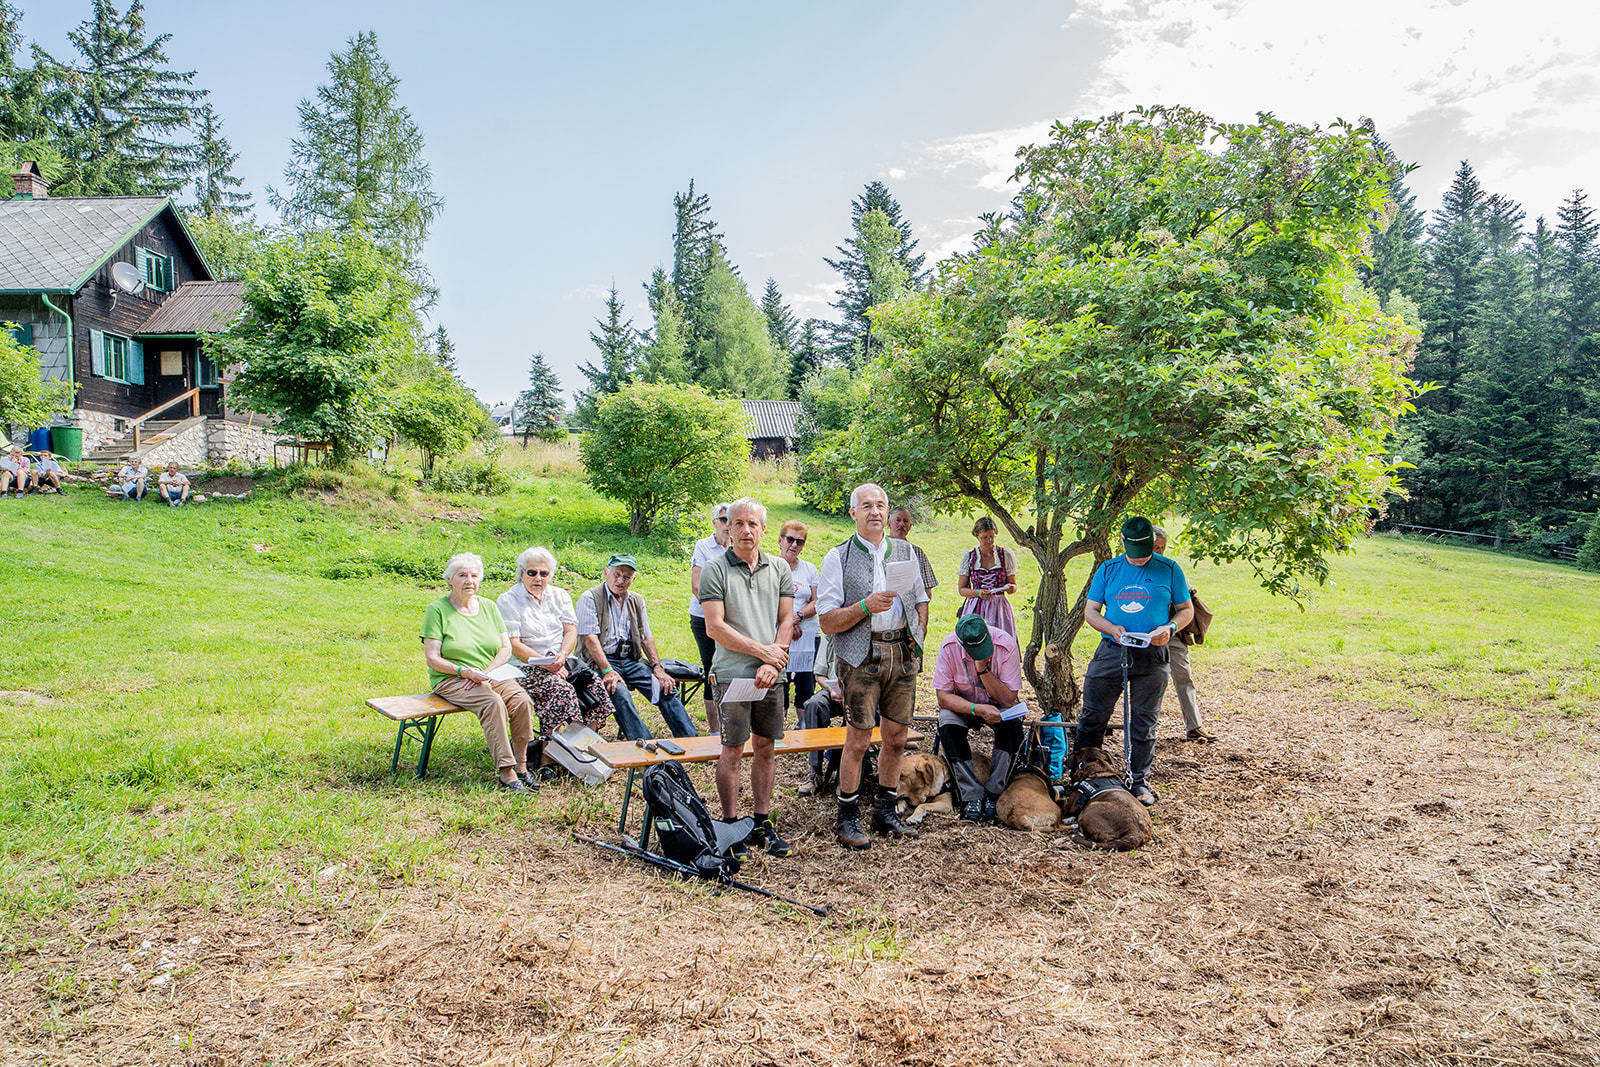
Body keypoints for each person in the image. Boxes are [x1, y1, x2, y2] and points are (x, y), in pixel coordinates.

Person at [817, 483, 930, 849]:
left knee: (896, 738)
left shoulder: (907, 551)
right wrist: (865, 606)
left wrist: (918, 635)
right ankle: (847, 816)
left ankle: (884, 811)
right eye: (866, 505)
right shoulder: (838, 556)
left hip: (901, 653)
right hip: (860, 656)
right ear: (853, 513)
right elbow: (827, 621)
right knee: (858, 739)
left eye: (880, 505)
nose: (875, 512)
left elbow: (921, 599)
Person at [1074, 517, 1194, 807]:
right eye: (1135, 554)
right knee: (1093, 714)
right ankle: (1082, 774)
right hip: (1112, 649)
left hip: (1152, 652)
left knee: (1144, 720)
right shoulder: (1108, 569)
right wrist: (1111, 628)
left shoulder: (1169, 569)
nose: (1140, 559)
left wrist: (1170, 628)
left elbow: (1186, 609)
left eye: (1145, 553)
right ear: (1124, 544)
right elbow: (1091, 611)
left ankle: (1138, 779)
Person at [699, 497, 795, 857]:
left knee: (766, 747)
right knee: (733, 749)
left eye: (752, 524)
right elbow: (714, 627)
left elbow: (786, 619)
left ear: (764, 529)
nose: (745, 530)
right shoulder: (714, 569)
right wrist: (763, 653)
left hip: (771, 675)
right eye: (737, 523)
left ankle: (761, 822)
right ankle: (730, 825)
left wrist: (774, 662)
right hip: (732, 674)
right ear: (728, 527)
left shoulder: (779, 568)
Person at [420, 552, 539, 793]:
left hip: (491, 674)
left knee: (521, 700)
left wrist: (485, 673)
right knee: (492, 702)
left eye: (474, 576)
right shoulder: (437, 610)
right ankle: (506, 772)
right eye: (462, 575)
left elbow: (506, 648)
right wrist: (465, 672)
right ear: (449, 579)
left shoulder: (488, 607)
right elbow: (432, 658)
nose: (469, 581)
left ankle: (522, 765)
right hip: (453, 678)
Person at [578, 554, 696, 739]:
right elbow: (590, 639)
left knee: (665, 687)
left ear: (633, 579)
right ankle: (643, 746)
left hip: (631, 660)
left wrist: (657, 667)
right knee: (619, 693)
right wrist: (607, 670)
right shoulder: (590, 597)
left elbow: (646, 637)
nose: (620, 581)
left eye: (626, 577)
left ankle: (691, 742)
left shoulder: (637, 600)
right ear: (606, 573)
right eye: (617, 574)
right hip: (601, 661)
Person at [496, 546, 598, 738]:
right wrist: (547, 664)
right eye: (532, 573)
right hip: (526, 666)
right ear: (521, 573)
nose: (538, 578)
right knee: (561, 690)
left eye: (544, 573)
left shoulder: (559, 595)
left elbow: (571, 630)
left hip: (561, 661)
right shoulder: (508, 600)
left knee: (594, 683)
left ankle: (586, 742)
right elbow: (513, 645)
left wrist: (562, 656)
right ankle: (550, 747)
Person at [933, 613, 1025, 821]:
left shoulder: (1006, 645)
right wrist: (976, 709)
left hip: (998, 703)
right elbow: (943, 697)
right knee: (948, 725)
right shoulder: (949, 647)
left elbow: (1009, 699)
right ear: (961, 644)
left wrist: (983, 670)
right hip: (964, 703)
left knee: (1012, 726)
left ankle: (994, 791)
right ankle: (970, 794)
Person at [1153, 526, 1215, 742]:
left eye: (1162, 547)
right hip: (1145, 636)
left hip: (1173, 633)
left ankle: (1194, 726)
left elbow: (1187, 599)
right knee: (1150, 681)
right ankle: (1145, 726)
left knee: (1184, 677)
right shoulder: (1134, 569)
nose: (1159, 552)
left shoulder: (1171, 569)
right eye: (1155, 547)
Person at [687, 501, 732, 734]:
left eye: (731, 519)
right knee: (712, 668)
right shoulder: (704, 546)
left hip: (733, 618)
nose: (727, 524)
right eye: (723, 519)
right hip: (704, 616)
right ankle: (715, 730)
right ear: (714, 522)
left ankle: (732, 723)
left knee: (732, 668)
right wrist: (717, 609)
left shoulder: (739, 546)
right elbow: (697, 586)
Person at [777, 519, 821, 713]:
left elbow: (817, 600)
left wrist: (798, 616)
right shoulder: (771, 567)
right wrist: (788, 622)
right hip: (779, 633)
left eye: (800, 541)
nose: (794, 545)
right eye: (790, 539)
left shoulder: (809, 569)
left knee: (806, 685)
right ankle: (779, 727)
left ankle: (805, 727)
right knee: (780, 683)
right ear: (780, 540)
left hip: (808, 634)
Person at [796, 635, 845, 796]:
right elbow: (819, 675)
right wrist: (831, 690)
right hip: (833, 690)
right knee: (813, 704)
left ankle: (845, 774)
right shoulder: (830, 636)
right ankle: (815, 772)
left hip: (860, 693)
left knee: (858, 711)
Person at [957, 516, 1018, 639]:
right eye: (984, 537)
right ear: (977, 536)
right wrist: (977, 592)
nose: (989, 541)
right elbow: (962, 590)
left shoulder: (1005, 555)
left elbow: (1013, 585)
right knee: (976, 642)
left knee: (1000, 642)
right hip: (976, 608)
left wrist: (1010, 587)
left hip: (999, 609)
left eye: (991, 536)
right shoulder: (970, 557)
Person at [888, 506, 938, 603]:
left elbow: (927, 589)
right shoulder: (879, 549)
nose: (901, 524)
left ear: (910, 526)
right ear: (889, 523)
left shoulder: (918, 552)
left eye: (905, 521)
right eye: (898, 520)